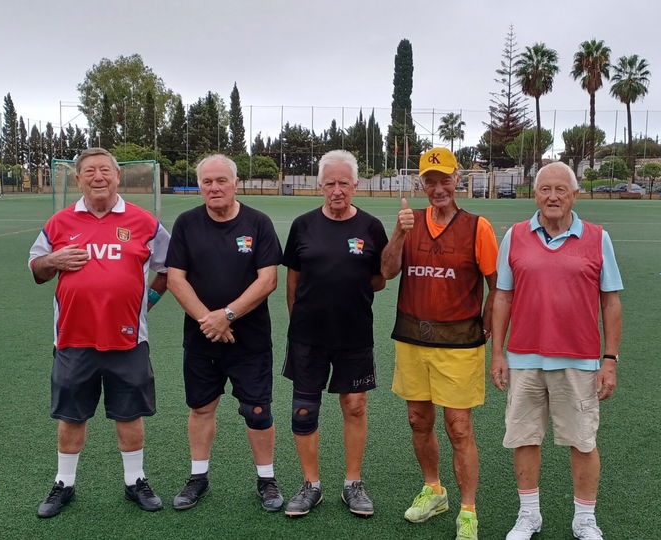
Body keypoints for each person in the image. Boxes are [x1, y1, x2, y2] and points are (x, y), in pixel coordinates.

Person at [27, 147, 171, 518]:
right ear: (78, 179)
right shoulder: (59, 222)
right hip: (73, 338)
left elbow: (169, 268)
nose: (98, 176)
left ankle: (135, 481)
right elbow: (37, 269)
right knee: (72, 415)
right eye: (89, 171)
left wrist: (147, 302)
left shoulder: (144, 222)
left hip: (127, 339)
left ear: (118, 176)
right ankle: (64, 483)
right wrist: (53, 260)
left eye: (105, 169)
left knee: (129, 413)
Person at [489, 162, 623, 540]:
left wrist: (609, 359)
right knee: (524, 438)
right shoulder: (515, 236)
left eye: (560, 189)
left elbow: (610, 301)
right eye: (545, 189)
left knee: (583, 441)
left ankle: (585, 519)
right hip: (524, 357)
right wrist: (497, 353)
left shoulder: (598, 238)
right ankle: (529, 515)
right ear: (535, 194)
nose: (552, 197)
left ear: (574, 195)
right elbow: (503, 297)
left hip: (579, 360)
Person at [380, 147, 499, 540]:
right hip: (412, 338)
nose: (438, 188)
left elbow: (498, 286)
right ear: (421, 185)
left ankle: (468, 510)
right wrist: (398, 233)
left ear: (457, 181)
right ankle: (434, 490)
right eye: (430, 181)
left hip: (460, 343)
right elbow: (387, 271)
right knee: (418, 420)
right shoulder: (409, 222)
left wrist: (487, 326)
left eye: (444, 179)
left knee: (459, 426)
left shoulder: (478, 227)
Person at [165, 153, 285, 512]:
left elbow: (268, 279)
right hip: (202, 339)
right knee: (202, 408)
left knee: (258, 412)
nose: (214, 187)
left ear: (235, 184)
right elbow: (175, 279)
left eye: (221, 181)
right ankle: (198, 477)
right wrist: (209, 320)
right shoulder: (187, 223)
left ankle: (267, 480)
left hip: (250, 340)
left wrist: (228, 315)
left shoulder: (258, 223)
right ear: (200, 186)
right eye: (207, 181)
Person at [281, 150, 388, 518]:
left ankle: (352, 483)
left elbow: (380, 279)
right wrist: (298, 324)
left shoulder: (372, 227)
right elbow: (292, 283)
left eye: (344, 183)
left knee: (355, 405)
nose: (337, 190)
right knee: (304, 410)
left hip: (354, 334)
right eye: (330, 183)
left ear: (355, 185)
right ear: (320, 186)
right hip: (307, 336)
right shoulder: (302, 226)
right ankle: (310, 485)